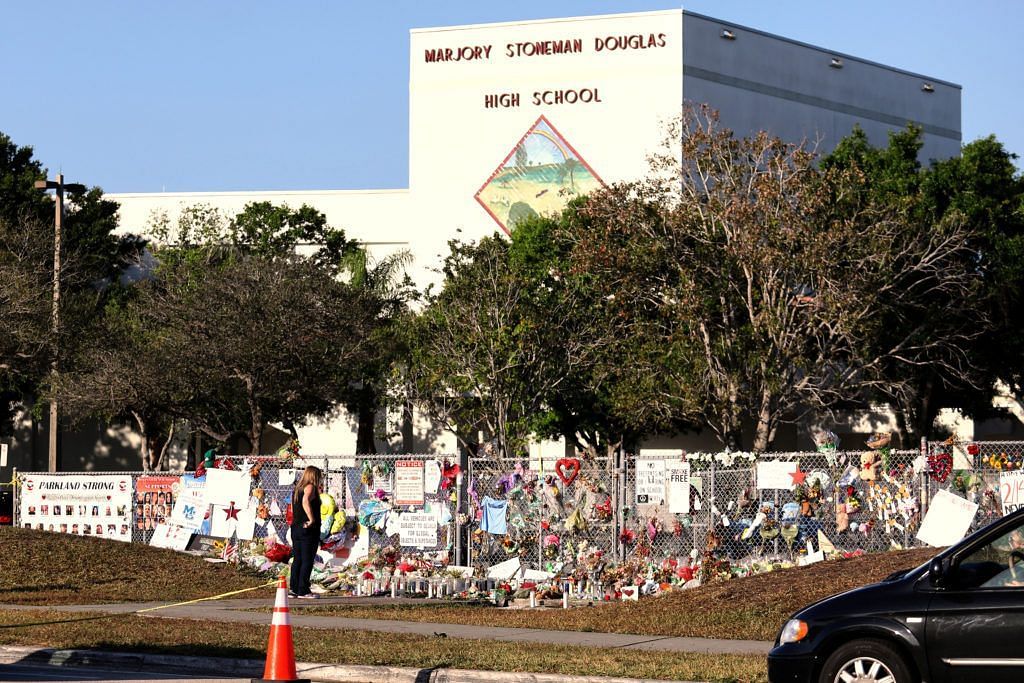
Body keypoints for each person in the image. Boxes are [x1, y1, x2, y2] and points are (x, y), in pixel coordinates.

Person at [289, 465, 324, 599]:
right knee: (307, 559)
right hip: (308, 529)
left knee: (298, 558)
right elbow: (305, 502)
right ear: (314, 476)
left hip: (296, 527)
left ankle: (294, 588)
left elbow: (293, 507)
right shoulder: (310, 487)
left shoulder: (297, 489)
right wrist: (311, 519)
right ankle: (303, 589)